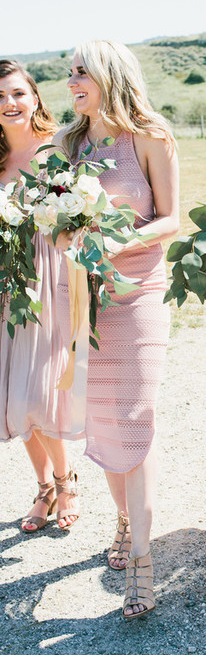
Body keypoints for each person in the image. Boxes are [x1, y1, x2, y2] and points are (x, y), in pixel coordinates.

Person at [60, 41, 179, 619]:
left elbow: (172, 218)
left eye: (81, 70)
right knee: (104, 417)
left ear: (109, 75)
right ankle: (127, 518)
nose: (72, 80)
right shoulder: (70, 145)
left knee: (136, 413)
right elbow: (56, 219)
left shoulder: (150, 136)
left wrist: (119, 240)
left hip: (140, 295)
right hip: (87, 300)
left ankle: (142, 562)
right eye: (69, 72)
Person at [0, 60, 80, 532]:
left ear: (34, 97)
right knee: (14, 395)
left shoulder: (60, 150)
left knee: (41, 391)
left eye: (16, 94)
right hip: (7, 284)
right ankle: (45, 486)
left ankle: (66, 481)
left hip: (50, 281)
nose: (9, 105)